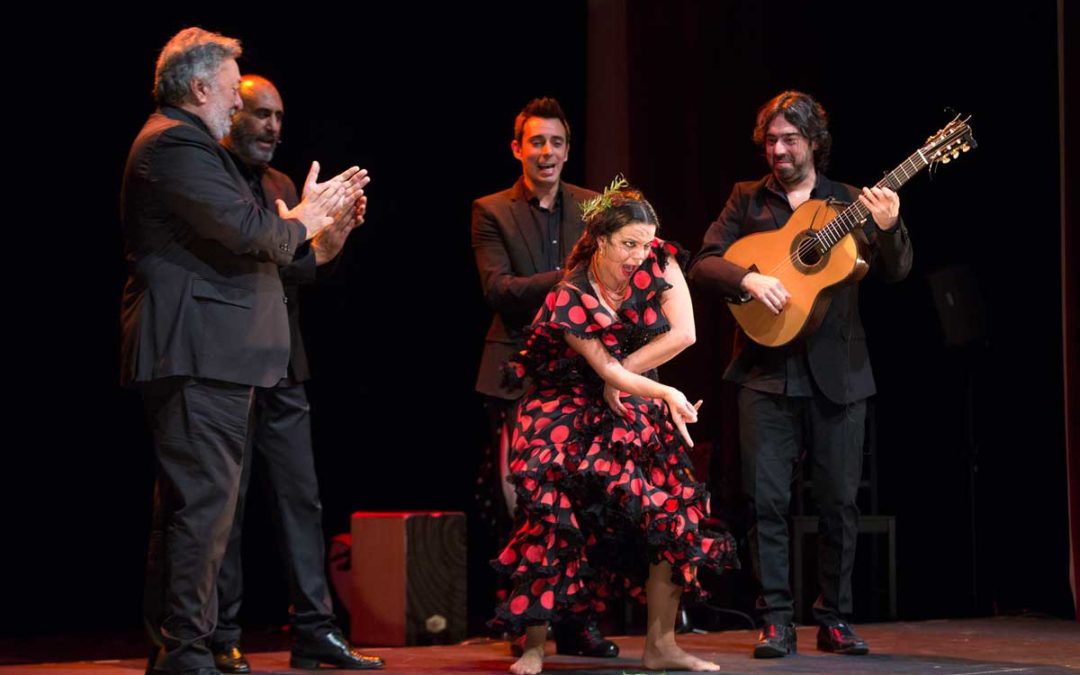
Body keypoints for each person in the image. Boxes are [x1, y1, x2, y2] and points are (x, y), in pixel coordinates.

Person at [120, 27, 364, 674]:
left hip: (214, 356)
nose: (236, 104)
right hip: (197, 354)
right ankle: (188, 650)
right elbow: (252, 231)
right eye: (232, 90)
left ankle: (180, 646)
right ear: (200, 87)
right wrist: (308, 214)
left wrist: (315, 230)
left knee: (194, 508)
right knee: (202, 511)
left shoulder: (186, 143)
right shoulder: (175, 144)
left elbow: (266, 249)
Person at [687, 90, 913, 658]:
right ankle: (776, 621)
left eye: (790, 140)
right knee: (766, 502)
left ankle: (834, 619)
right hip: (765, 372)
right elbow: (704, 262)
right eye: (771, 140)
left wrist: (888, 228)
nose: (779, 150)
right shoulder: (746, 199)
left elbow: (897, 270)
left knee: (838, 502)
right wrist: (748, 280)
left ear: (814, 142)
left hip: (839, 374)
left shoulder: (850, 202)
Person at [493, 180, 738, 675]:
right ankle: (535, 646)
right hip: (561, 404)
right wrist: (662, 391)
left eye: (646, 242)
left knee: (673, 503)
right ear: (601, 240)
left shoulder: (659, 258)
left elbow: (684, 333)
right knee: (550, 510)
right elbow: (605, 371)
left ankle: (661, 645)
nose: (639, 254)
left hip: (627, 392)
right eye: (629, 244)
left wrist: (628, 380)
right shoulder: (571, 293)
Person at [210, 75, 382, 672]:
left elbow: (298, 273)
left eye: (279, 116)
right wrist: (302, 233)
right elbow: (239, 263)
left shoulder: (282, 184)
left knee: (301, 501)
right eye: (259, 113)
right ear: (232, 114)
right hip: (226, 367)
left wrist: (330, 240)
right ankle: (219, 635)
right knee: (224, 510)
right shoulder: (213, 178)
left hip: (283, 366)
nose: (273, 127)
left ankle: (315, 630)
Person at [471, 97, 617, 658]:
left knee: (585, 498)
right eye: (537, 142)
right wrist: (569, 278)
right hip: (516, 371)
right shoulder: (490, 209)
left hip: (582, 372)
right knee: (527, 503)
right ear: (518, 148)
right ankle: (529, 622)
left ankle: (578, 622)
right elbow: (498, 290)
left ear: (568, 148)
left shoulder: (591, 205)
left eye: (556, 142)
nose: (547, 152)